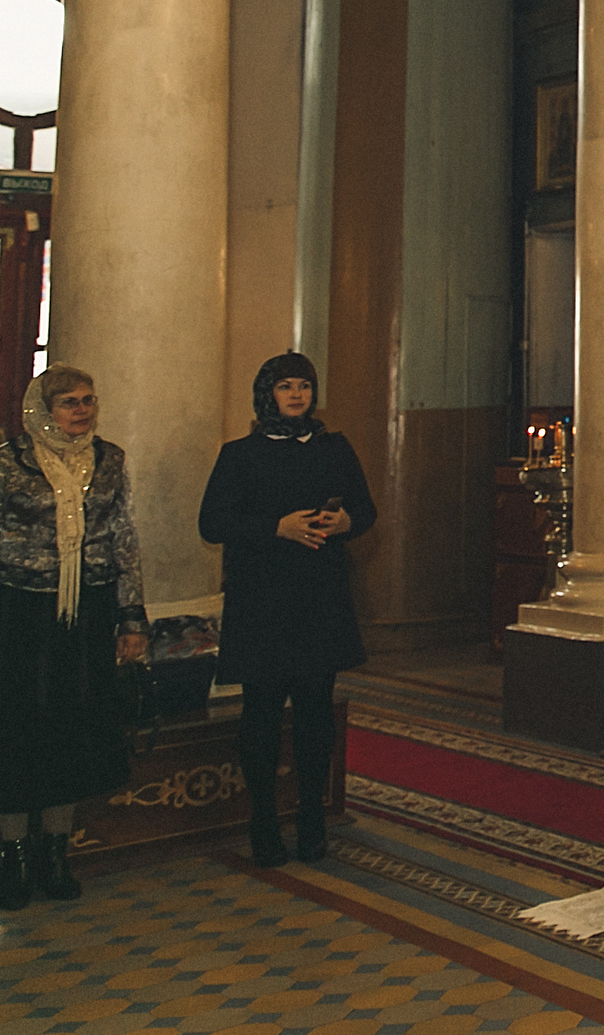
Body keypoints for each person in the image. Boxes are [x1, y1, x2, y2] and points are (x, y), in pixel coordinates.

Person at [0, 366, 146, 911]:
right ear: (41, 409)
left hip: (85, 616)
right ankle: (14, 856)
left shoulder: (110, 461)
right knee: (17, 735)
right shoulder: (3, 465)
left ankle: (55, 852)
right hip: (19, 617)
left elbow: (123, 538)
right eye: (69, 403)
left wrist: (131, 619)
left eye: (89, 400)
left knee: (71, 732)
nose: (81, 411)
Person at [199, 352, 379, 868]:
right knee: (260, 714)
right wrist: (275, 527)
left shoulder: (333, 447)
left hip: (318, 594)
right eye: (285, 387)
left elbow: (364, 510)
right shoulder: (240, 454)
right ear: (267, 395)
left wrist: (344, 523)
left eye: (304, 385)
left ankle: (311, 819)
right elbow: (212, 523)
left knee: (315, 712)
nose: (297, 395)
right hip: (262, 597)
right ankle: (262, 821)